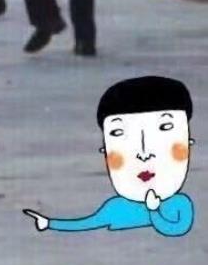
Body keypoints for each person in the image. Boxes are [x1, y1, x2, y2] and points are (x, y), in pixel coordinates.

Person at [23, 76, 195, 236]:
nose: (144, 154)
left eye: (165, 127)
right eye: (118, 133)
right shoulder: (115, 207)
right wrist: (49, 223)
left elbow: (176, 229)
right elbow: (86, 223)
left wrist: (154, 210)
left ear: (188, 142)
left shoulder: (180, 203)